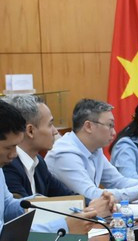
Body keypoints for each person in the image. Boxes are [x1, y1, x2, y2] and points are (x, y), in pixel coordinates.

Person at [0, 100, 109, 234]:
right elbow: (3, 235)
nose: (14, 154)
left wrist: (39, 202)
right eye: (8, 148)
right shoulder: (8, 167)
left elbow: (8, 207)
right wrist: (64, 227)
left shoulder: (37, 162)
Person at [45, 99, 138, 202]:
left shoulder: (95, 148)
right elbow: (90, 195)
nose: (114, 132)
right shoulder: (65, 154)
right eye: (110, 125)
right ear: (88, 126)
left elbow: (118, 182)